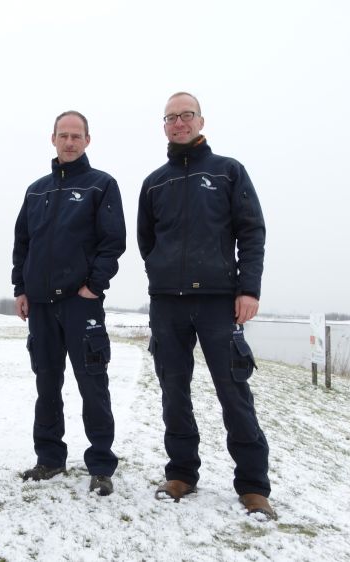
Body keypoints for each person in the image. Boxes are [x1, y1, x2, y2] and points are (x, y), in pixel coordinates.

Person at [138, 92, 275, 519]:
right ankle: (181, 473)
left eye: (186, 115)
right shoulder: (154, 182)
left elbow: (251, 232)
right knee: (173, 393)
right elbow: (148, 242)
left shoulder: (228, 172)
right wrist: (163, 275)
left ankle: (253, 486)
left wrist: (247, 289)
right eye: (171, 117)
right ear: (164, 126)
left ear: (200, 121)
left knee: (233, 394)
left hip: (219, 303)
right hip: (168, 305)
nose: (178, 123)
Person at [12, 111, 126, 496]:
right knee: (47, 383)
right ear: (53, 139)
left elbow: (113, 243)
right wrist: (21, 288)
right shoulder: (36, 190)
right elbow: (22, 244)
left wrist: (94, 286)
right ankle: (49, 459)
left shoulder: (101, 185)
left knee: (93, 384)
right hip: (41, 306)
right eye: (64, 135)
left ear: (87, 141)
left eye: (77, 136)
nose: (70, 142)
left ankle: (101, 465)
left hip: (82, 304)